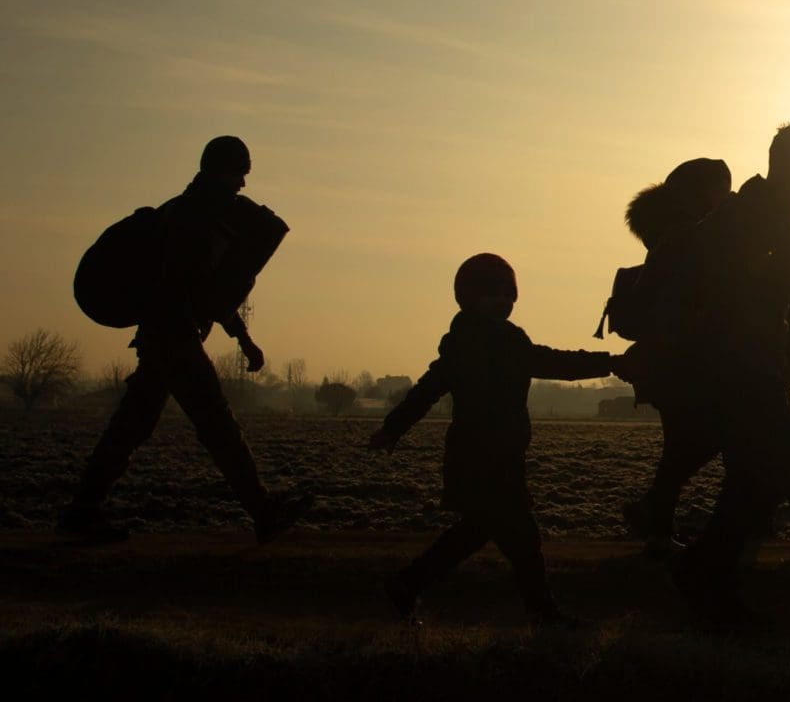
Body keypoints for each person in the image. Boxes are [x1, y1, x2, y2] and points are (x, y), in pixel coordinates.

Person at [60, 137, 312, 544]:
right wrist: (195, 339)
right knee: (216, 422)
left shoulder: (192, 214)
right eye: (240, 174)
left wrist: (242, 339)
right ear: (222, 170)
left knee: (131, 426)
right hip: (173, 338)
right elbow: (190, 288)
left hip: (165, 337)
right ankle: (263, 510)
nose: (243, 185)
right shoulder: (194, 221)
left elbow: (206, 292)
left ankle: (81, 511)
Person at [371, 252, 624, 626]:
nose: (504, 302)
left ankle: (407, 585)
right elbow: (553, 363)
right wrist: (613, 363)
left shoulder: (460, 344)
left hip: (479, 455)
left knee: (478, 533)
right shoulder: (502, 342)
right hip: (491, 457)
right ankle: (545, 615)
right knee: (521, 539)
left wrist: (392, 429)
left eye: (509, 294)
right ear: (470, 298)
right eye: (495, 294)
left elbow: (425, 392)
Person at [671, 124, 790, 628]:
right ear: (787, 162)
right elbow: (744, 289)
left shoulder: (776, 212)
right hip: (739, 362)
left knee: (758, 474)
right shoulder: (753, 213)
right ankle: (707, 577)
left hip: (756, 359)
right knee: (764, 472)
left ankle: (708, 576)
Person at [614, 158, 732, 558]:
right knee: (709, 438)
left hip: (667, 360)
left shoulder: (669, 231)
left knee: (679, 446)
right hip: (681, 359)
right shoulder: (686, 235)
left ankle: (658, 531)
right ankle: (653, 513)